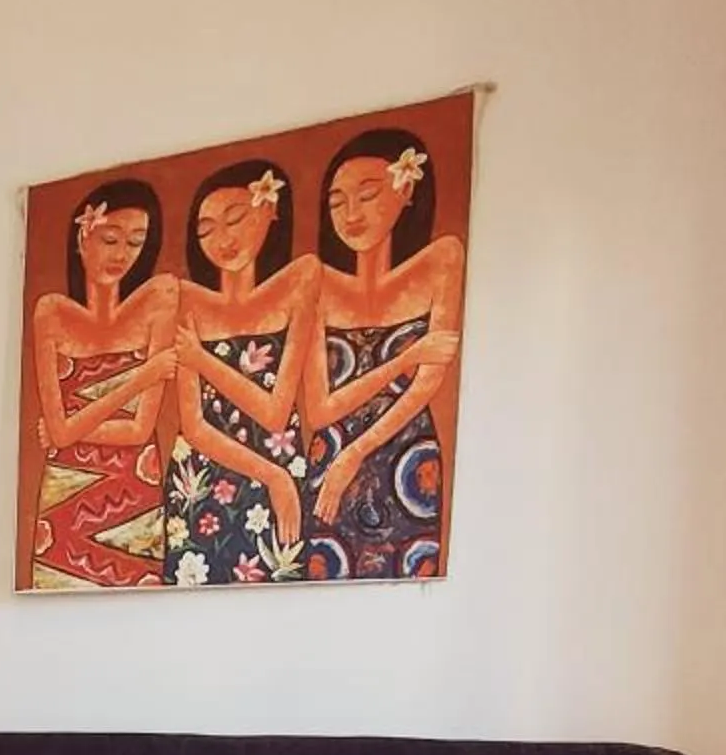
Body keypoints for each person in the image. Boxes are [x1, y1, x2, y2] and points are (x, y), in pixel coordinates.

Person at [301, 128, 464, 579]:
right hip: (330, 459)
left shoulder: (441, 262)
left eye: (367, 195)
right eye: (337, 202)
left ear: (407, 187)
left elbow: (427, 384)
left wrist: (358, 451)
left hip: (406, 456)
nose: (351, 213)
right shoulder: (321, 285)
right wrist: (403, 360)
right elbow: (320, 407)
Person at [163, 158, 315, 583]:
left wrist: (201, 359)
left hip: (280, 461)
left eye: (235, 220)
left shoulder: (297, 283)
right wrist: (272, 476)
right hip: (205, 477)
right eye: (207, 230)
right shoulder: (188, 300)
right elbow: (193, 425)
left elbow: (275, 411)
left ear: (271, 210)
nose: (223, 240)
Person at [28, 178, 179, 584]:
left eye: (135, 242)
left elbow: (138, 430)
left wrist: (73, 428)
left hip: (133, 495)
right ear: (82, 237)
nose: (122, 255)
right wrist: (140, 377)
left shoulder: (158, 300)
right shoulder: (52, 313)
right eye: (110, 239)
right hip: (65, 494)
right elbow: (59, 433)